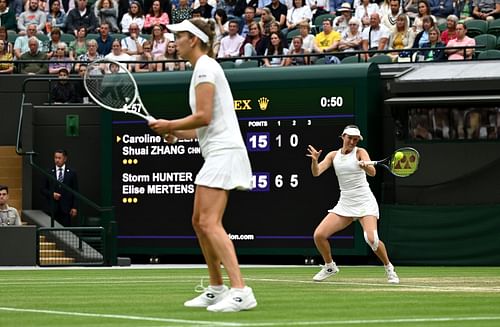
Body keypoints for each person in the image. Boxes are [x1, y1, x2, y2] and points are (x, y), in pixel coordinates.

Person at [149, 18, 257, 313]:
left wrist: (170, 123)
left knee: (209, 222)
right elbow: (200, 128)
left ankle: (241, 289)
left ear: (193, 40)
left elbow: (205, 116)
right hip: (217, 152)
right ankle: (216, 287)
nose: (175, 42)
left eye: (180, 37)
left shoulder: (206, 68)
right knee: (199, 222)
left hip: (225, 152)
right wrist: (175, 132)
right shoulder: (202, 69)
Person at [306, 125, 400, 284]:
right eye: (350, 138)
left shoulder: (360, 152)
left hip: (364, 202)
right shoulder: (332, 156)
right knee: (319, 235)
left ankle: (389, 268)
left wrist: (366, 166)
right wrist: (315, 161)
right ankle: (329, 266)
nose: (352, 141)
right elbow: (316, 172)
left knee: (372, 239)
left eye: (355, 139)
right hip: (345, 203)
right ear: (343, 136)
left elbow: (373, 172)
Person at [41, 149, 79, 227]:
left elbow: (75, 191)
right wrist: (52, 194)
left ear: (65, 159)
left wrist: (74, 207)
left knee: (65, 231)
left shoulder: (72, 173)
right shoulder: (48, 172)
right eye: (55, 158)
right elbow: (42, 189)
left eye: (59, 158)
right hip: (52, 209)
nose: (57, 160)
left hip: (66, 209)